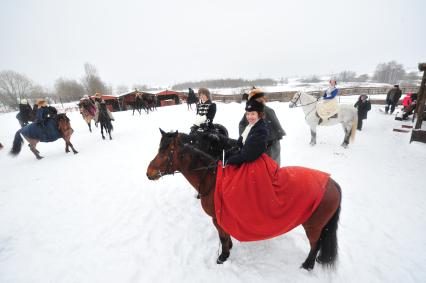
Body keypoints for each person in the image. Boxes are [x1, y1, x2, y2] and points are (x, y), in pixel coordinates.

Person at [239, 88, 286, 166]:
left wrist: (268, 140)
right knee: (259, 166)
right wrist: (247, 138)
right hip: (256, 145)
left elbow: (276, 128)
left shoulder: (268, 111)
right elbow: (242, 125)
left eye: (259, 99)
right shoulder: (250, 112)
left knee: (271, 166)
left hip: (271, 146)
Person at [227, 96, 268, 166]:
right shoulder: (250, 126)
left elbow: (248, 155)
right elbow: (240, 144)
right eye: (247, 114)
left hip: (253, 165)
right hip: (245, 158)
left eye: (253, 114)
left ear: (259, 114)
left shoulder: (260, 130)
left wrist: (229, 160)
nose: (249, 117)